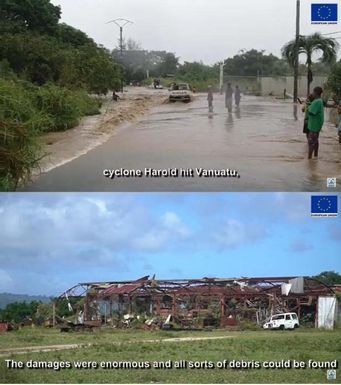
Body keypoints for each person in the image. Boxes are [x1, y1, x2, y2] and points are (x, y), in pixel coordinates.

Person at [307, 86, 324, 159]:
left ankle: (309, 159)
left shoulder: (317, 101)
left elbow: (311, 112)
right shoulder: (319, 100)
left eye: (313, 92)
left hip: (314, 125)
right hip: (317, 125)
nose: (312, 93)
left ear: (316, 93)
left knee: (311, 143)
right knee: (315, 141)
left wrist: (307, 107)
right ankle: (315, 156)